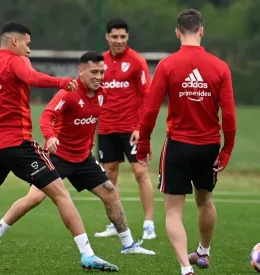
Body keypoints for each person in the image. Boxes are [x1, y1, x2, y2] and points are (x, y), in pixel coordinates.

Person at [0, 22, 118, 271]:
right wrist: (61, 82)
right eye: (27, 42)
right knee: (61, 194)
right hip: (18, 144)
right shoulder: (16, 60)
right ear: (15, 41)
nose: (29, 49)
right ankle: (87, 254)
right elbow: (32, 77)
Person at [0, 51, 155, 257]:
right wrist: (50, 137)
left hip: (83, 158)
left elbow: (91, 124)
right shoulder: (68, 92)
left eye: (102, 72)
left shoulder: (102, 94)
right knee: (34, 198)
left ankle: (128, 245)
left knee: (110, 193)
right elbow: (47, 116)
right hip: (58, 157)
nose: (99, 77)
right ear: (81, 71)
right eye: (94, 72)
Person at [136, 9, 236, 275]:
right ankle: (203, 251)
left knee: (172, 211)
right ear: (202, 31)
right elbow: (229, 115)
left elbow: (149, 110)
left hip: (178, 147)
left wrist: (143, 145)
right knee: (205, 201)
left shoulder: (167, 65)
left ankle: (185, 268)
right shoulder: (220, 67)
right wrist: (226, 151)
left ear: (177, 32)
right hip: (209, 147)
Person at [95, 17, 156, 240]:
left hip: (132, 129)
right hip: (106, 128)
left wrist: (141, 128)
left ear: (127, 37)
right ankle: (116, 222)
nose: (119, 40)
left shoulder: (136, 61)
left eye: (122, 36)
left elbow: (147, 96)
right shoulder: (99, 62)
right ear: (107, 37)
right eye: (114, 36)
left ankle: (149, 224)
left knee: (140, 172)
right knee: (109, 176)